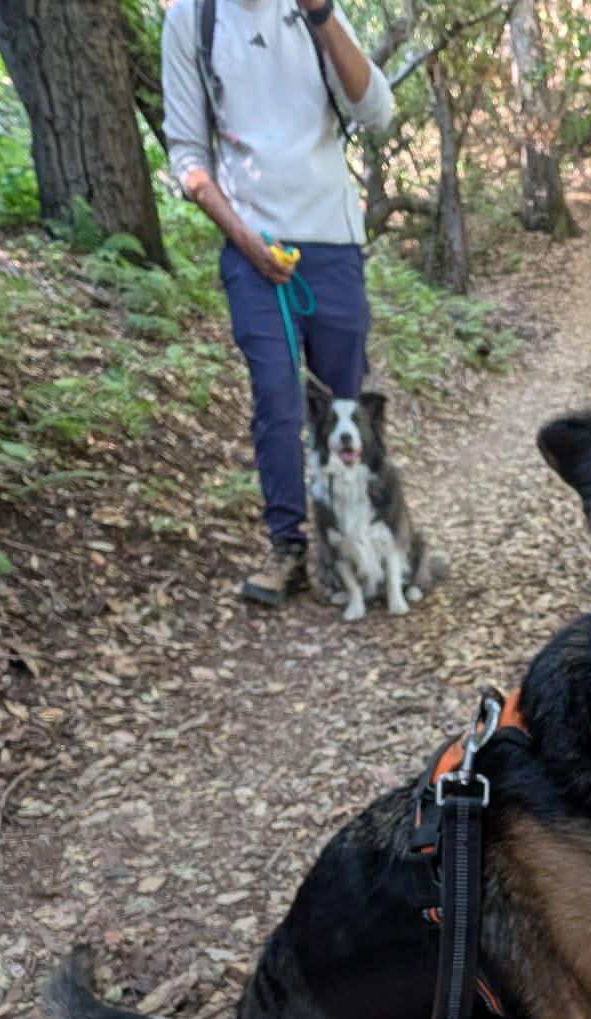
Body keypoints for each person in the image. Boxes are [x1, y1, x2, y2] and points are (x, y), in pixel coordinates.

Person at [162, 0, 396, 605]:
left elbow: (376, 110)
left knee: (344, 403)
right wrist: (243, 237)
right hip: (252, 247)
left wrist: (321, 15)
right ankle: (288, 546)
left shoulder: (317, 12)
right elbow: (187, 151)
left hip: (334, 242)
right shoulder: (194, 19)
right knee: (276, 393)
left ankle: (353, 542)